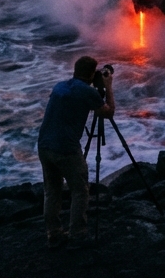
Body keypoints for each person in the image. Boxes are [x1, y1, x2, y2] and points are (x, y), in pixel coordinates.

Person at [37, 55, 115, 247]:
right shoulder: (87, 93)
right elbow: (108, 113)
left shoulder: (59, 86)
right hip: (66, 148)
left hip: (44, 145)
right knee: (80, 190)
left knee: (52, 190)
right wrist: (108, 86)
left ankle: (53, 233)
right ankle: (77, 233)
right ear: (91, 74)